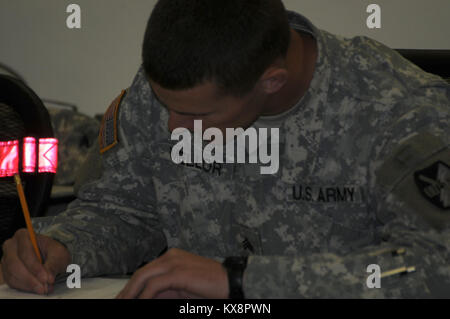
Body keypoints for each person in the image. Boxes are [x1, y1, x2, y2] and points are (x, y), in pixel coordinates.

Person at [2, 0, 449, 298]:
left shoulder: (398, 110)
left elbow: (436, 267)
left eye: (197, 118)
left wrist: (240, 282)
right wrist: (63, 245)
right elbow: (125, 211)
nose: (175, 129)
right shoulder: (176, 84)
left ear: (271, 82)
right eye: (166, 107)